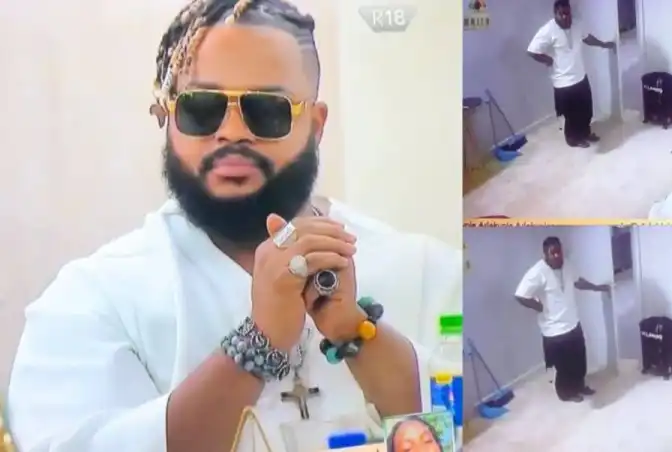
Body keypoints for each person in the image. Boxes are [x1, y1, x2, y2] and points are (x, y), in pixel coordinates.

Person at [5, 1, 461, 451]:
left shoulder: (426, 273)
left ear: (316, 125)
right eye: (201, 108)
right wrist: (257, 345)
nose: (232, 131)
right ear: (168, 118)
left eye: (267, 110)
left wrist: (356, 333)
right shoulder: (93, 300)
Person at [513, 236, 610, 402]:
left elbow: (578, 282)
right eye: (553, 253)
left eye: (559, 251)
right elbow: (520, 295)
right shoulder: (537, 272)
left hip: (572, 323)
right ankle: (566, 393)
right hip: (554, 330)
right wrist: (538, 307)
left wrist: (598, 288)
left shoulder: (568, 266)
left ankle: (579, 386)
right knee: (563, 366)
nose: (557, 256)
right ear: (545, 254)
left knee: (579, 360)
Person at [527, 0, 615, 148]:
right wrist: (547, 60)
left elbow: (587, 38)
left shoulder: (577, 25)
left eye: (568, 13)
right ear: (555, 14)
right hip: (563, 82)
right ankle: (573, 139)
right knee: (571, 115)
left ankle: (585, 133)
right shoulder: (548, 30)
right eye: (561, 14)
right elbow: (532, 51)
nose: (565, 17)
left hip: (580, 76)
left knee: (586, 110)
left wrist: (603, 44)